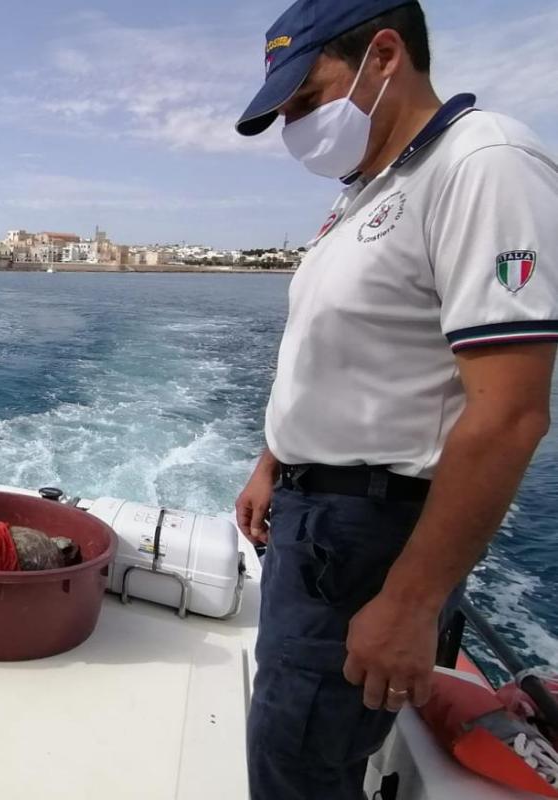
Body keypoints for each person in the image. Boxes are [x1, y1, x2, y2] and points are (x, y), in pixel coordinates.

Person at [234, 0, 558, 796]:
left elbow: (510, 411)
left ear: (384, 56)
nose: (296, 127)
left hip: (371, 540)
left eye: (307, 99)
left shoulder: (483, 164)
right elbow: (336, 347)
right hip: (314, 525)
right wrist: (275, 459)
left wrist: (412, 603)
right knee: (288, 739)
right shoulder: (366, 190)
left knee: (299, 765)